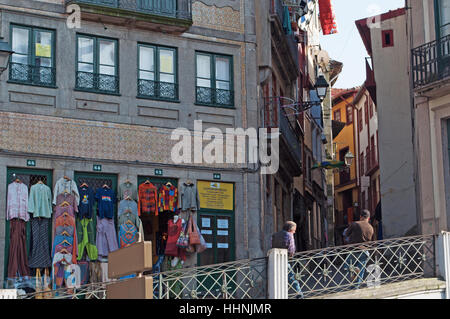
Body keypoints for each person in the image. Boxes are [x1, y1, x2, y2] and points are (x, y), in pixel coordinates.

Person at [343, 209, 376, 288]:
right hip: (365, 251)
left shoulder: (355, 224)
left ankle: (354, 270)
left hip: (354, 250)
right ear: (368, 218)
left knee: (347, 265)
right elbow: (372, 241)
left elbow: (346, 234)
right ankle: (356, 287)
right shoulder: (371, 228)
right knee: (360, 271)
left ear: (360, 216)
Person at [271, 221, 304, 299]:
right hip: (285, 259)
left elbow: (272, 245)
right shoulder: (289, 235)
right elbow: (292, 248)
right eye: (294, 230)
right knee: (291, 277)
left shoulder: (275, 235)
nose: (295, 232)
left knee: (277, 278)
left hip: (274, 259)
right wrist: (291, 255)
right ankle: (299, 293)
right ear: (290, 229)